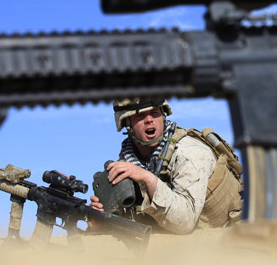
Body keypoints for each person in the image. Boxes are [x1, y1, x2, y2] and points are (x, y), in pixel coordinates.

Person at [90, 98, 242, 234]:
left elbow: (185, 222)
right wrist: (102, 221)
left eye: (155, 113)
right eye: (140, 116)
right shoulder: (127, 164)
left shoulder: (190, 153)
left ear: (163, 115)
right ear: (126, 123)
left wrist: (148, 179)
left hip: (228, 241)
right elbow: (130, 228)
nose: (149, 120)